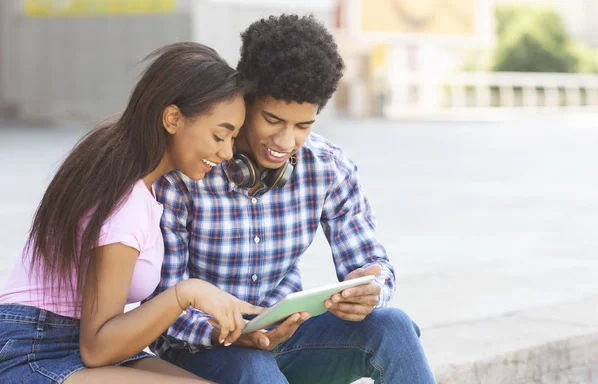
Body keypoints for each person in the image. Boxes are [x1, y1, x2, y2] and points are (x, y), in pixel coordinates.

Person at [150, 15, 436, 384]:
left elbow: (372, 261)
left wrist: (371, 288)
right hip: (202, 348)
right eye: (273, 120)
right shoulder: (187, 174)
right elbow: (162, 305)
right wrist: (235, 333)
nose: (285, 142)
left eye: (303, 126)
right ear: (245, 102)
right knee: (254, 368)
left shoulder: (328, 168)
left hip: (290, 337)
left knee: (393, 326)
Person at [0, 42, 262, 384]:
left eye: (233, 138)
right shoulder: (125, 200)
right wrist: (187, 293)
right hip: (35, 347)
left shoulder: (126, 169)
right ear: (172, 118)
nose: (227, 152)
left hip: (71, 339)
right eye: (219, 135)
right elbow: (96, 348)